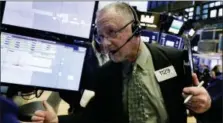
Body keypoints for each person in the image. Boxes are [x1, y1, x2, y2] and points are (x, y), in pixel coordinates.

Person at [32, 3, 212, 123]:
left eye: (112, 32)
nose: (105, 43)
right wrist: (57, 120)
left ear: (135, 29)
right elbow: (93, 116)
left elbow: (198, 105)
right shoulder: (104, 74)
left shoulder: (174, 59)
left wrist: (206, 106)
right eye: (101, 36)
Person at [59, 40, 109, 114]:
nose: (108, 42)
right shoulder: (78, 50)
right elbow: (64, 90)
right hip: (83, 111)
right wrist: (82, 98)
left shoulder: (119, 52)